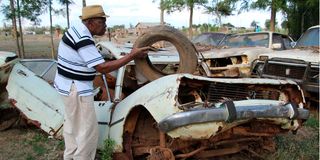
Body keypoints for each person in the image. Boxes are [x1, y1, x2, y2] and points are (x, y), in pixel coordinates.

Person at [53, 5, 150, 160]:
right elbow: (102, 67)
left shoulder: (76, 29)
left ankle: (70, 156)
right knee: (87, 131)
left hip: (67, 85)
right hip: (76, 88)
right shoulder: (83, 38)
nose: (106, 25)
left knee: (73, 127)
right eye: (102, 22)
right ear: (90, 22)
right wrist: (131, 56)